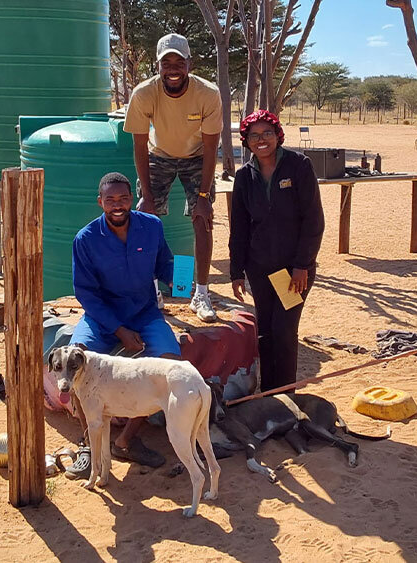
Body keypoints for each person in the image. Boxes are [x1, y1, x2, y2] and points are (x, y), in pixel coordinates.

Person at [67, 172, 179, 472]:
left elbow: (165, 264)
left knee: (169, 364)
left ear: (132, 199)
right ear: (100, 202)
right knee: (75, 361)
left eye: (123, 199)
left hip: (144, 313)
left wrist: (178, 280)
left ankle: (125, 441)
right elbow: (86, 293)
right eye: (110, 200)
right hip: (102, 317)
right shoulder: (86, 239)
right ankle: (89, 445)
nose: (117, 205)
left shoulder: (152, 227)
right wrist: (119, 331)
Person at [124, 33, 222, 322]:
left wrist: (203, 197)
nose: (173, 69)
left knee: (202, 218)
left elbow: (211, 147)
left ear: (189, 63)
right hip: (160, 154)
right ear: (158, 66)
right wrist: (147, 196)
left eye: (179, 62)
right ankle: (152, 291)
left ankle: (200, 294)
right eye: (166, 63)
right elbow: (140, 145)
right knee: (145, 220)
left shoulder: (207, 93)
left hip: (197, 156)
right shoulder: (144, 93)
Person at [228, 110, 325, 392]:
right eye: (254, 136)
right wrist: (236, 271)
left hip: (293, 270)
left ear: (278, 135)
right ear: (246, 140)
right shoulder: (245, 176)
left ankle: (286, 395)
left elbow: (313, 220)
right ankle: (269, 394)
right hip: (259, 267)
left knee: (284, 330)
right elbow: (239, 226)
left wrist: (302, 264)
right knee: (266, 332)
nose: (261, 140)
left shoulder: (298, 166)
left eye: (267, 133)